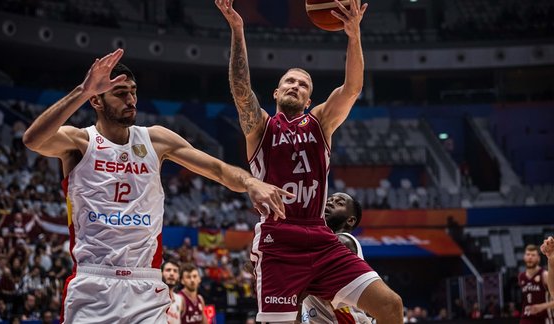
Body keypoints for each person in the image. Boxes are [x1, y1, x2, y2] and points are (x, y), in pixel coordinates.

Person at [22, 48, 291, 323]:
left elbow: (217, 169)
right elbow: (33, 140)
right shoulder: (80, 142)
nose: (130, 99)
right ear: (96, 101)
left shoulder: (155, 139)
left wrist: (250, 182)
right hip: (94, 281)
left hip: (145, 284)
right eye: (120, 93)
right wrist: (82, 89)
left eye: (133, 91)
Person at [216, 0, 403, 322]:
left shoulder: (320, 122)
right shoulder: (261, 127)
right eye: (289, 81)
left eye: (303, 85)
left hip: (320, 237)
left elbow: (352, 88)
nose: (295, 86)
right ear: (275, 93)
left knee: (390, 305)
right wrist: (237, 29)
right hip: (279, 239)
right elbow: (240, 89)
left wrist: (353, 35)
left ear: (309, 99)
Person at [301, 192, 372, 324]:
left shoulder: (343, 241)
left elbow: (302, 283)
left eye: (339, 203)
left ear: (350, 220)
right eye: (329, 200)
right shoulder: (320, 243)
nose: (329, 203)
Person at [518, 244, 554, 323]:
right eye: (528, 254)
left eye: (533, 255)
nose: (530, 257)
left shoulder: (544, 275)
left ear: (538, 258)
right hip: (526, 317)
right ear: (524, 257)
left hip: (544, 318)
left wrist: (540, 307)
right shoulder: (521, 276)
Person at [161, 260, 183, 324]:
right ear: (161, 273)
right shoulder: (153, 296)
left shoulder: (180, 299)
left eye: (175, 271)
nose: (172, 273)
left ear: (179, 277)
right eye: (168, 270)